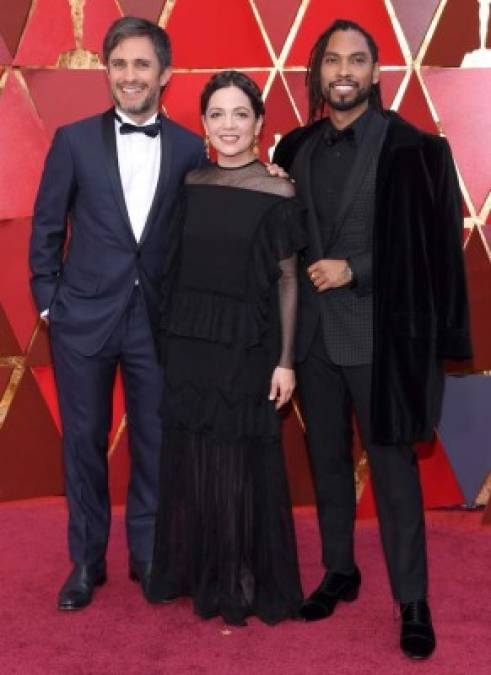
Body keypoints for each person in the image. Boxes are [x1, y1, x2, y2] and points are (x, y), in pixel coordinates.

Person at [273, 19, 472, 659]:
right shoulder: (294, 150)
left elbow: (429, 249)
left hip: (381, 342)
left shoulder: (412, 149)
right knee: (327, 463)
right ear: (319, 71)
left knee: (393, 475)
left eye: (356, 60)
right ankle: (340, 571)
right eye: (333, 60)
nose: (344, 71)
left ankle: (413, 599)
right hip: (311, 342)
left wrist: (355, 268)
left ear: (375, 72)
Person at [29, 17, 206, 611]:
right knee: (83, 441)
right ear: (107, 71)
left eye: (141, 65)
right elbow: (48, 228)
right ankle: (86, 561)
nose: (130, 76)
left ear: (165, 74)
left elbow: (193, 235)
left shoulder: (187, 147)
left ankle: (149, 554)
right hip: (83, 320)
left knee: (156, 441)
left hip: (155, 322)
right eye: (120, 65)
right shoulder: (73, 141)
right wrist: (51, 302)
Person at [147, 70, 304, 626]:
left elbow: (288, 279)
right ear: (204, 124)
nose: (230, 125)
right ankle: (199, 572)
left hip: (249, 346)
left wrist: (286, 360)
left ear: (260, 124)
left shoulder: (280, 189)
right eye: (218, 114)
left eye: (241, 114)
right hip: (190, 341)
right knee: (194, 457)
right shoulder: (191, 183)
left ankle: (238, 578)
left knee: (239, 461)